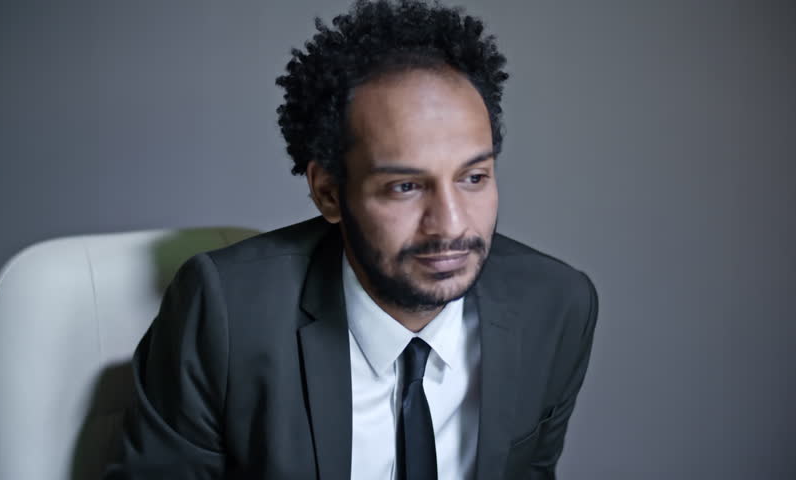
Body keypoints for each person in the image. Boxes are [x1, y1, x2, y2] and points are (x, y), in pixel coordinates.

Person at [106, 1, 598, 479]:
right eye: (404, 186)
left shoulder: (555, 306)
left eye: (473, 178)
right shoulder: (225, 313)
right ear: (328, 193)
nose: (450, 225)